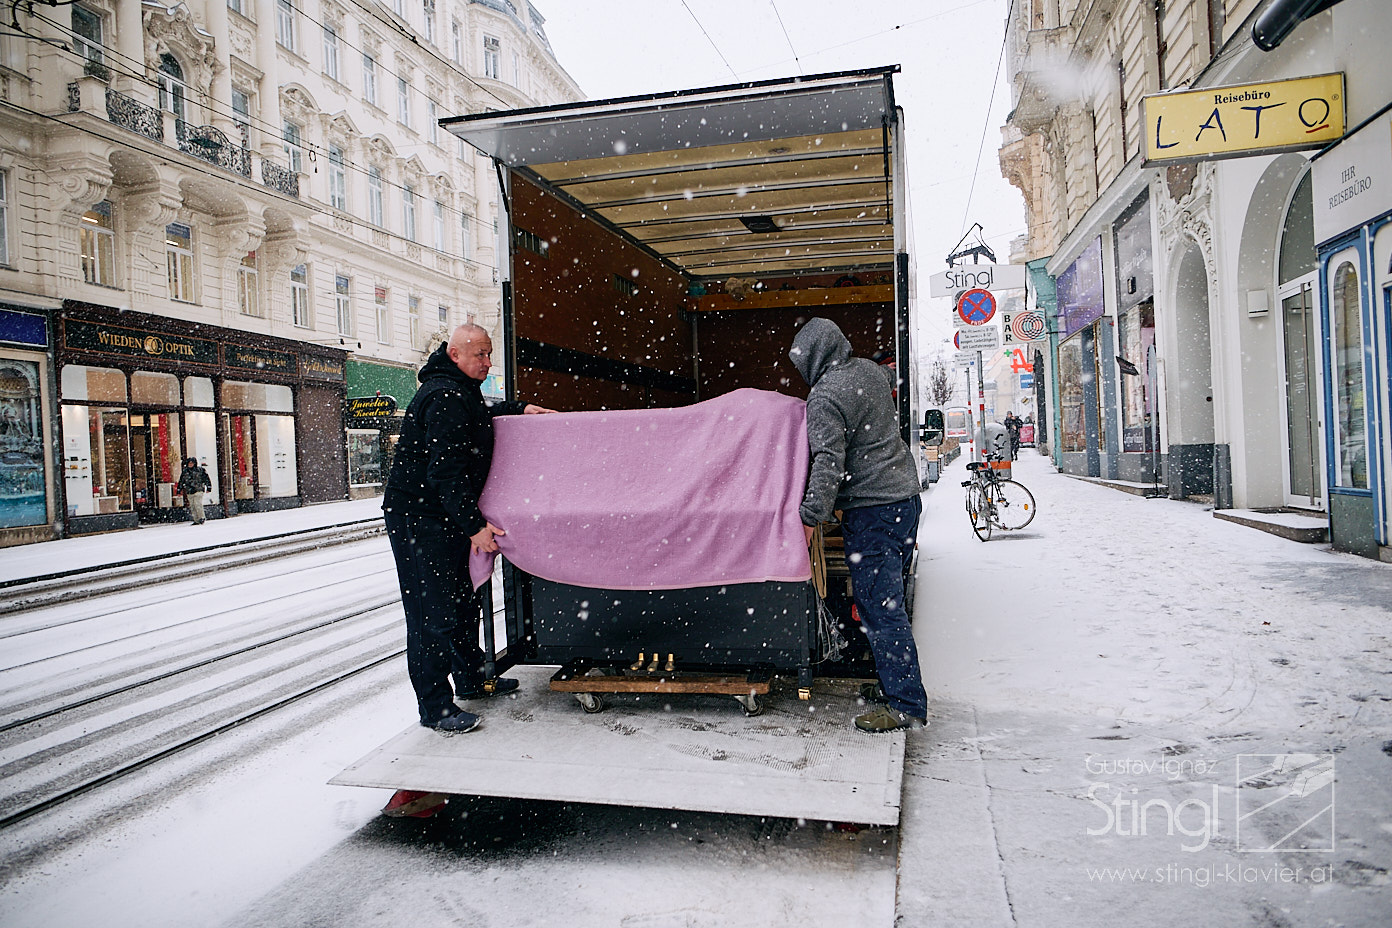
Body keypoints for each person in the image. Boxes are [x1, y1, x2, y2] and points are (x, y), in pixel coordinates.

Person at [383, 323, 554, 733]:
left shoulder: (457, 391)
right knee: (433, 614)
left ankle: (472, 678)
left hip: (442, 515)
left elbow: (479, 418)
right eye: (480, 355)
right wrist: (475, 526)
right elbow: (446, 474)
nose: (488, 362)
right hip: (421, 520)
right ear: (455, 354)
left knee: (464, 600)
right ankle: (436, 708)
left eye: (489, 353)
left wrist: (519, 408)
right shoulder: (443, 396)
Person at [789, 317, 928, 733]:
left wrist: (811, 517)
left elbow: (828, 462)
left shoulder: (825, 396)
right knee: (888, 604)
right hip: (905, 500)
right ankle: (893, 686)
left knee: (880, 609)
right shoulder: (868, 371)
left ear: (812, 359)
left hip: (872, 511)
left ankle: (905, 704)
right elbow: (891, 373)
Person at [177, 456, 212, 524]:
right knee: (192, 506)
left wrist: (208, 487)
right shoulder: (185, 472)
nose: (190, 465)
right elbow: (181, 481)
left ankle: (201, 517)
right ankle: (196, 519)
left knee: (197, 503)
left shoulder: (200, 470)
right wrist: (179, 490)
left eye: (192, 463)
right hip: (189, 491)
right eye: (189, 463)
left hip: (198, 489)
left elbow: (206, 479)